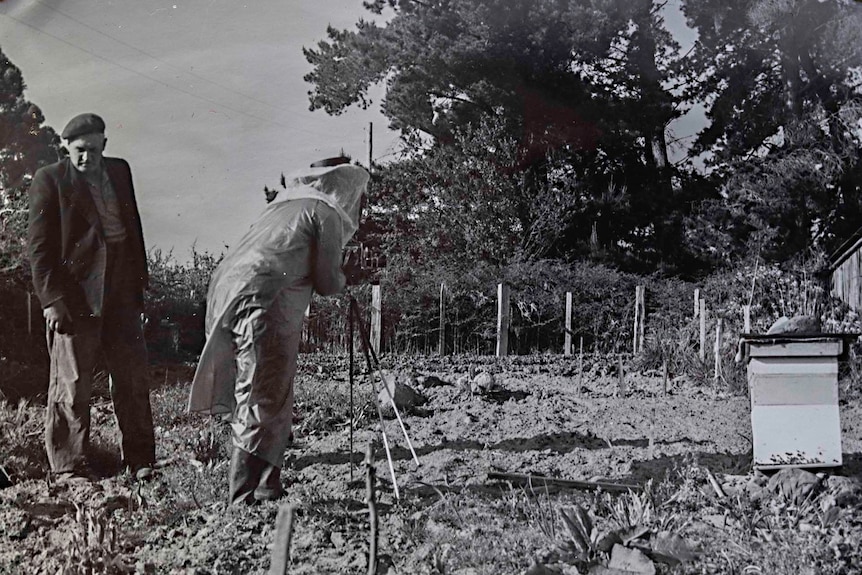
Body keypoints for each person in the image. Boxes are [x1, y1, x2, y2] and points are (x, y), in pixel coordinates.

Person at [189, 157, 368, 505]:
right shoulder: (325, 212)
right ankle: (242, 496)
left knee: (268, 384)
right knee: (263, 390)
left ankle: (269, 483)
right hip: (266, 299)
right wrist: (348, 278)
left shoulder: (281, 207)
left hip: (228, 293)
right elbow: (328, 281)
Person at [27, 113, 156, 482]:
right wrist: (52, 300)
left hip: (121, 288)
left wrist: (138, 286)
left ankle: (140, 459)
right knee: (72, 382)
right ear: (67, 149)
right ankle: (68, 466)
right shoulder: (50, 180)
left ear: (104, 145)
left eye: (94, 150)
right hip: (75, 295)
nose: (87, 158)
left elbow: (132, 228)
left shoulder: (120, 171)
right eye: (80, 151)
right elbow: (39, 249)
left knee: (132, 377)